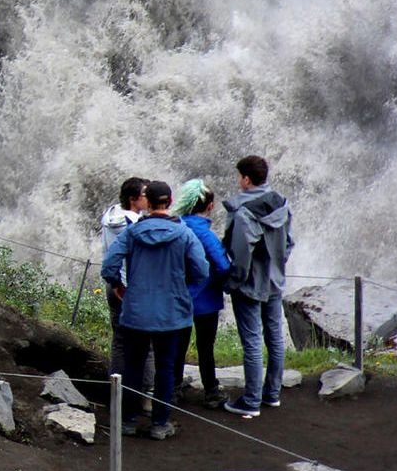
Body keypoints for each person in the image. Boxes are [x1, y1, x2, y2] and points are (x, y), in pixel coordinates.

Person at [101, 179, 209, 440]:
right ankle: (160, 424)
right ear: (170, 202)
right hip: (171, 313)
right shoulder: (184, 233)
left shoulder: (131, 233)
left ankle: (128, 421)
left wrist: (119, 286)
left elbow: (109, 266)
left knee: (133, 366)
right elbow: (202, 270)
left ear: (147, 203)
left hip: (136, 311)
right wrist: (185, 292)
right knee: (165, 368)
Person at [222, 155, 294, 419]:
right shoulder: (281, 203)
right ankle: (271, 394)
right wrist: (278, 266)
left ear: (246, 179)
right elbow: (289, 243)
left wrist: (233, 282)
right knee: (275, 336)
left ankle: (251, 400)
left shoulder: (244, 213)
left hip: (250, 285)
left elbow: (241, 256)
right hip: (275, 281)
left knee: (252, 341)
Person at [171, 180, 231, 408]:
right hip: (205, 299)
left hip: (179, 296)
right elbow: (223, 266)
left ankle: (174, 388)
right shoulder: (204, 233)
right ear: (210, 206)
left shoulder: (177, 226)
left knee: (178, 345)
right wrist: (224, 284)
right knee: (206, 346)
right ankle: (211, 392)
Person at [99, 177, 152, 386]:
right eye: (145, 195)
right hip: (129, 287)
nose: (149, 199)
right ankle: (146, 393)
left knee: (119, 341)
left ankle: (117, 390)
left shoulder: (110, 214)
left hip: (112, 285)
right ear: (133, 199)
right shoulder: (135, 225)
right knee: (147, 344)